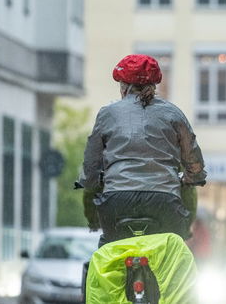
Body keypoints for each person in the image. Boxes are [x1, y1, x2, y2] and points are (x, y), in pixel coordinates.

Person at [79, 54, 207, 246]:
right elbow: (193, 159)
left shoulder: (107, 113)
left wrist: (92, 183)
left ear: (123, 87)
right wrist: (192, 177)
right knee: (174, 250)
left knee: (108, 247)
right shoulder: (173, 113)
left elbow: (91, 164)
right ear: (154, 87)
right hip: (164, 202)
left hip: (117, 201)